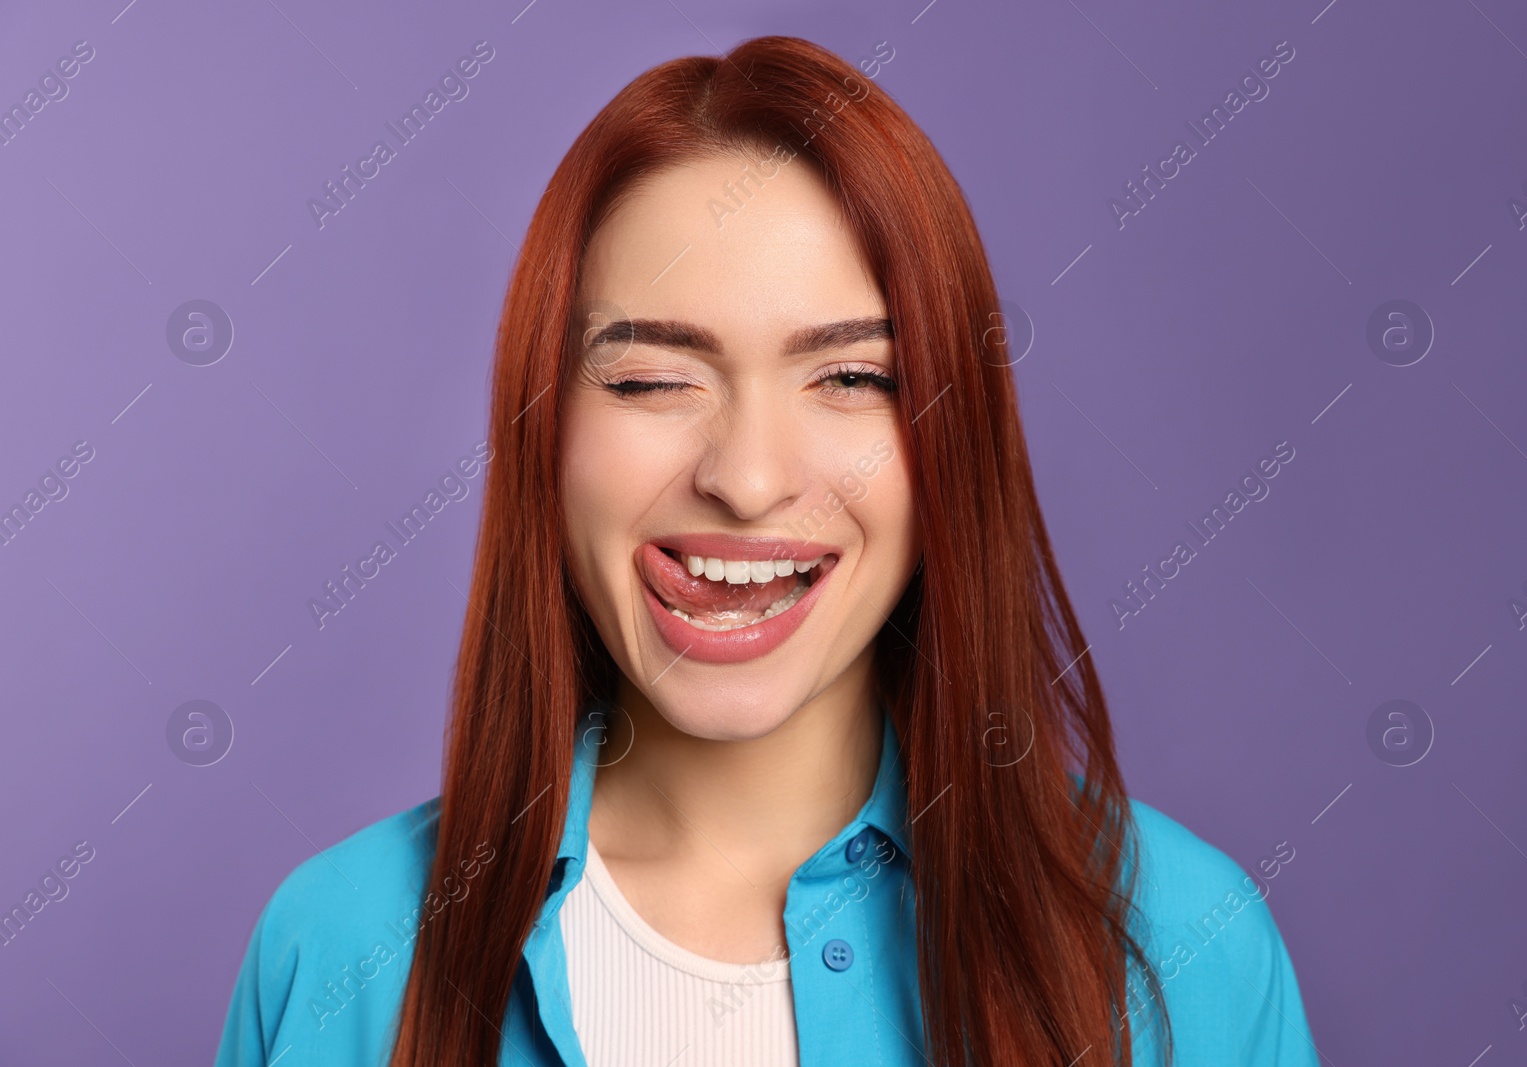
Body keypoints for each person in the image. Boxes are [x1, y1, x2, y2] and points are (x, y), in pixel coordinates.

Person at [215, 34, 1317, 1067]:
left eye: (849, 378)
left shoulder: (1183, 943)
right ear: (542, 432)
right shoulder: (337, 951)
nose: (745, 478)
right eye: (652, 380)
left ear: (950, 434)